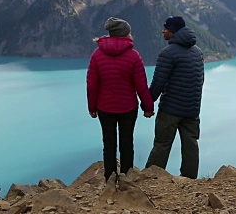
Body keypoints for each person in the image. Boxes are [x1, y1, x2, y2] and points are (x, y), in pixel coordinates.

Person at [87, 17, 155, 181]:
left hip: (104, 107)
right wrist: (148, 107)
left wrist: (92, 107)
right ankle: (126, 176)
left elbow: (91, 85)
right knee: (127, 142)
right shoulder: (133, 55)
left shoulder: (97, 54)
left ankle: (110, 177)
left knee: (108, 143)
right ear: (125, 34)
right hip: (128, 108)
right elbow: (141, 85)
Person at [145, 16, 204, 179]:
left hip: (170, 109)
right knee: (191, 145)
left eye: (166, 28)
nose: (163, 31)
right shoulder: (197, 52)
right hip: (192, 110)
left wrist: (147, 105)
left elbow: (158, 82)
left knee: (162, 144)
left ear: (174, 31)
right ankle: (189, 179)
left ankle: (151, 178)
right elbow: (200, 80)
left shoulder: (168, 53)